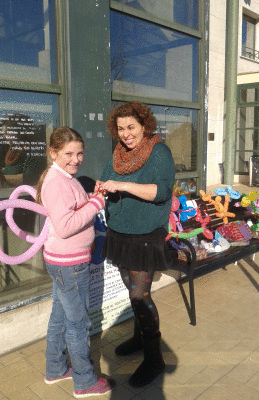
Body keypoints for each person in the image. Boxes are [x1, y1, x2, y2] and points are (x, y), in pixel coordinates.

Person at [99, 102, 175, 387]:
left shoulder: (159, 152)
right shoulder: (118, 154)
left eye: (131, 127)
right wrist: (102, 185)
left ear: (145, 125)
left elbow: (161, 191)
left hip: (145, 236)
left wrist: (122, 186)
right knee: (132, 293)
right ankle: (138, 338)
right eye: (120, 129)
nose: (126, 134)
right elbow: (110, 179)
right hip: (120, 233)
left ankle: (155, 359)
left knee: (140, 296)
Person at [35, 127, 115, 398]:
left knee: (60, 316)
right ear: (53, 153)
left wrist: (91, 197)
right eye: (68, 153)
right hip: (70, 264)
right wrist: (96, 205)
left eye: (80, 153)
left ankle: (55, 368)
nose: (76, 159)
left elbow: (72, 211)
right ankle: (84, 381)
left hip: (64, 261)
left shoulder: (64, 178)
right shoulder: (57, 182)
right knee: (77, 323)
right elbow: (67, 225)